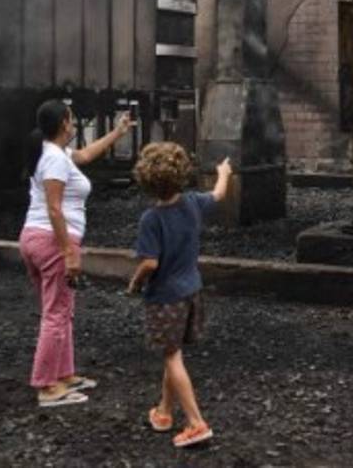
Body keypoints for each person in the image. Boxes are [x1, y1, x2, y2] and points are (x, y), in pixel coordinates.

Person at [19, 99, 130, 407]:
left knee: (62, 308)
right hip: (52, 241)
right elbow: (54, 208)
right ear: (65, 123)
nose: (74, 122)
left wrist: (117, 133)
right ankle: (46, 385)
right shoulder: (53, 158)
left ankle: (64, 374)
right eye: (71, 118)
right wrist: (69, 251)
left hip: (35, 238)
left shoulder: (54, 153)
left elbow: (85, 154)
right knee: (56, 312)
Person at [127, 143, 233, 448]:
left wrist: (135, 282)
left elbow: (149, 262)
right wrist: (223, 172)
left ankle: (196, 423)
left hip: (165, 298)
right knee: (172, 353)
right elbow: (219, 194)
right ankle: (163, 412)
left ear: (146, 180)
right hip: (192, 292)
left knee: (172, 356)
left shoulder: (151, 219)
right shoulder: (192, 203)